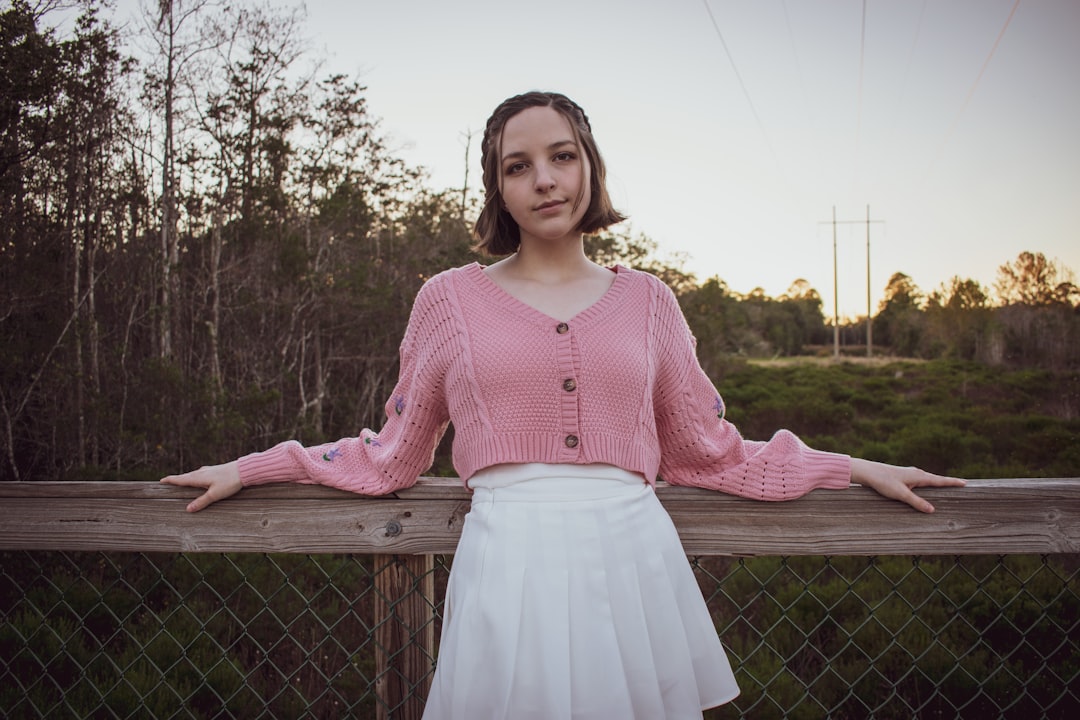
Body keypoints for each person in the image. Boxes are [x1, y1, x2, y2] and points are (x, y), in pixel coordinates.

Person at [161, 90, 965, 719]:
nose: (545, 179)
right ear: (498, 188)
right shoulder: (447, 301)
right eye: (519, 166)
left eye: (562, 156)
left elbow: (708, 450)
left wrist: (854, 466)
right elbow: (392, 455)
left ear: (589, 168)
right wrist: (254, 466)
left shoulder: (651, 300)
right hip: (508, 564)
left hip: (632, 563)